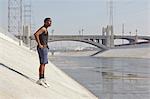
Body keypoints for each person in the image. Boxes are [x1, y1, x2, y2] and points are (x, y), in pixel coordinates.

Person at [34, 17, 52, 87]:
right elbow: (36, 34)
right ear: (45, 22)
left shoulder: (45, 29)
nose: (50, 23)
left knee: (43, 64)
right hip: (42, 48)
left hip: (44, 48)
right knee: (42, 63)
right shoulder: (43, 28)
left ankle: (42, 78)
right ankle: (40, 79)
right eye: (48, 22)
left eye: (50, 22)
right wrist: (40, 44)